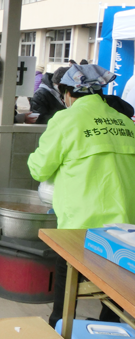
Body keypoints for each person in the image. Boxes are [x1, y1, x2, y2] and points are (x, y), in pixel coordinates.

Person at [28, 64, 135, 328]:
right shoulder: (124, 122)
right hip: (125, 221)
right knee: (116, 280)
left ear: (67, 93)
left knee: (69, 272)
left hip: (82, 218)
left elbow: (39, 169)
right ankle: (110, 328)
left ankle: (59, 324)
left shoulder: (66, 120)